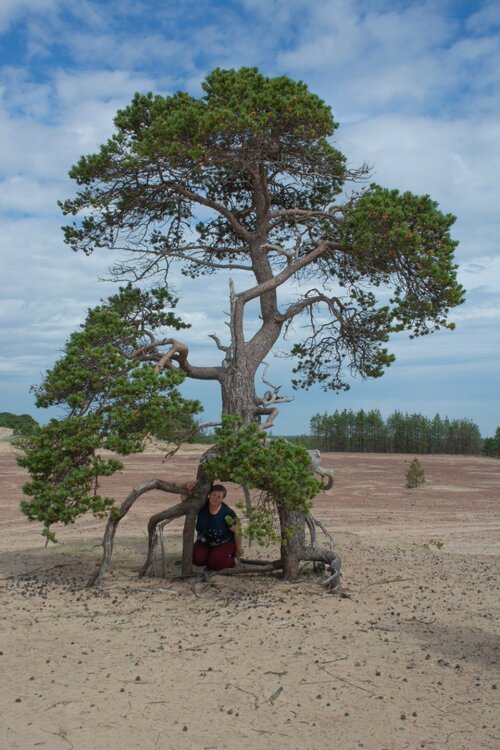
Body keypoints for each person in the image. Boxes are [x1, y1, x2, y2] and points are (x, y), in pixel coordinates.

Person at [181, 482, 243, 570]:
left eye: (219, 497)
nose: (215, 498)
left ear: (222, 499)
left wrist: (239, 547)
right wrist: (189, 488)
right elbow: (184, 499)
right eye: (214, 495)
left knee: (215, 563)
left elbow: (238, 530)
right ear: (209, 495)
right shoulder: (202, 504)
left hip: (224, 543)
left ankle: (233, 561)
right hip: (204, 541)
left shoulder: (227, 513)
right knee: (196, 559)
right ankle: (211, 556)